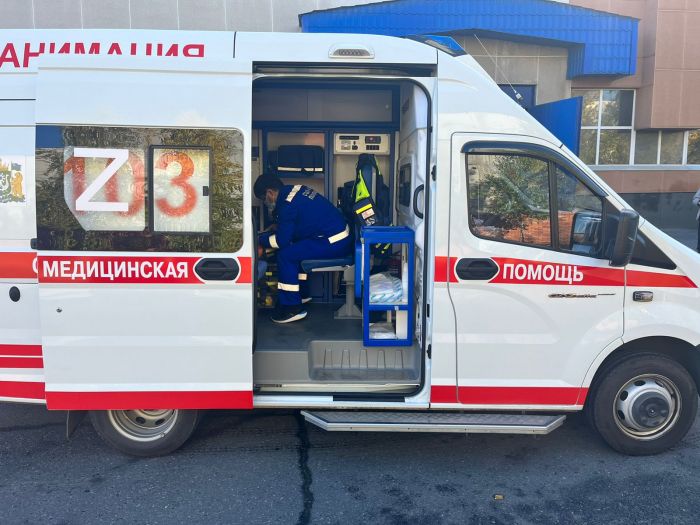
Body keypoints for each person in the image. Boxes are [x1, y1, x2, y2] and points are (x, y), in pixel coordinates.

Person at [254, 174, 352, 324]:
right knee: (295, 249)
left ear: (270, 193)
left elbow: (281, 241)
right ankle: (301, 294)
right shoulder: (295, 190)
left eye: (263, 199)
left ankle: (292, 308)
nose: (265, 203)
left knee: (286, 255)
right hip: (338, 235)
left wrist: (258, 239)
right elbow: (300, 222)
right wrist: (278, 228)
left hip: (335, 241)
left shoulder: (286, 205)